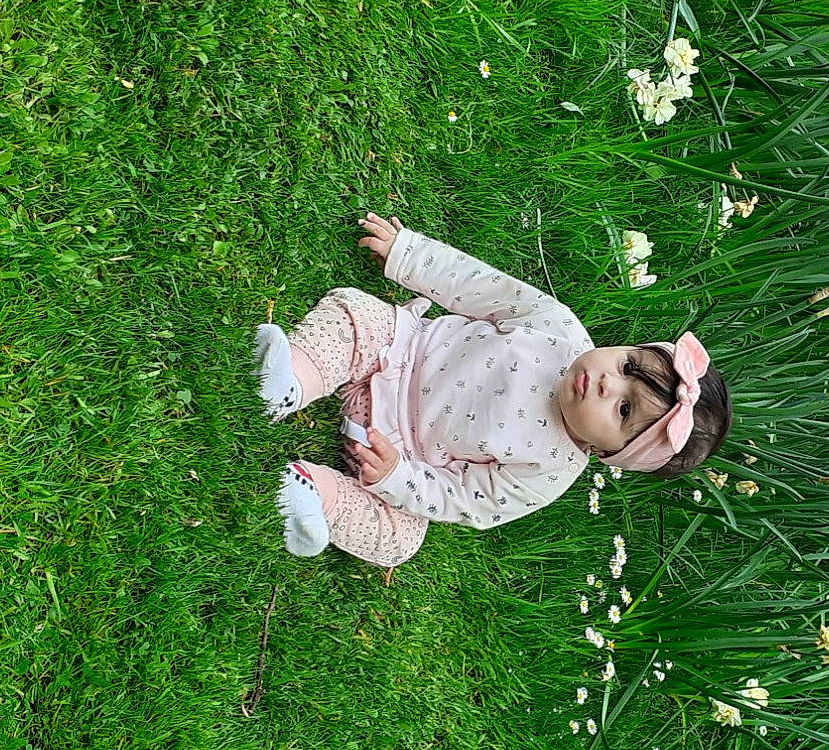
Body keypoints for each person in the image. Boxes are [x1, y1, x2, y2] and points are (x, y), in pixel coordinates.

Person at [253, 213, 732, 568]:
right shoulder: (558, 329)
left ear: (609, 451)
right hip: (399, 351)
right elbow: (481, 286)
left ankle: (313, 496)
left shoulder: (550, 472)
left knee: (400, 540)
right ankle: (291, 379)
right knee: (357, 315)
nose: (608, 382)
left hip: (395, 451)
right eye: (628, 365)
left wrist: (397, 477)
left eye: (623, 408)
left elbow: (465, 499)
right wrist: (407, 253)